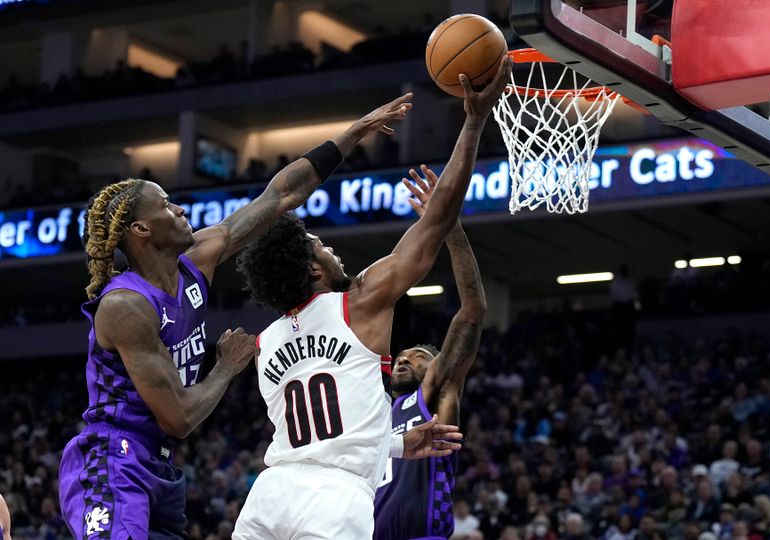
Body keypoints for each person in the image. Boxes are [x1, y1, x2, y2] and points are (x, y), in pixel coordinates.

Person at [58, 93, 414, 540]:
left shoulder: (198, 259)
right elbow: (179, 418)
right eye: (167, 205)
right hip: (113, 457)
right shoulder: (125, 306)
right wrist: (226, 365)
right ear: (141, 230)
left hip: (160, 464)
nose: (181, 209)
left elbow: (281, 194)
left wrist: (351, 135)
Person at [233, 56, 512, 540]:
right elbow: (437, 220)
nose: (331, 248)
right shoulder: (358, 302)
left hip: (269, 493)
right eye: (322, 246)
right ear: (313, 269)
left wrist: (398, 445)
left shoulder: (266, 343)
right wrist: (473, 120)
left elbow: (325, 432)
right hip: (337, 499)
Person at [373, 166, 487, 539]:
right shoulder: (373, 413)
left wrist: (449, 224)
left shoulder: (435, 395)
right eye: (402, 356)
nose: (405, 358)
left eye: (419, 356)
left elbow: (472, 311)